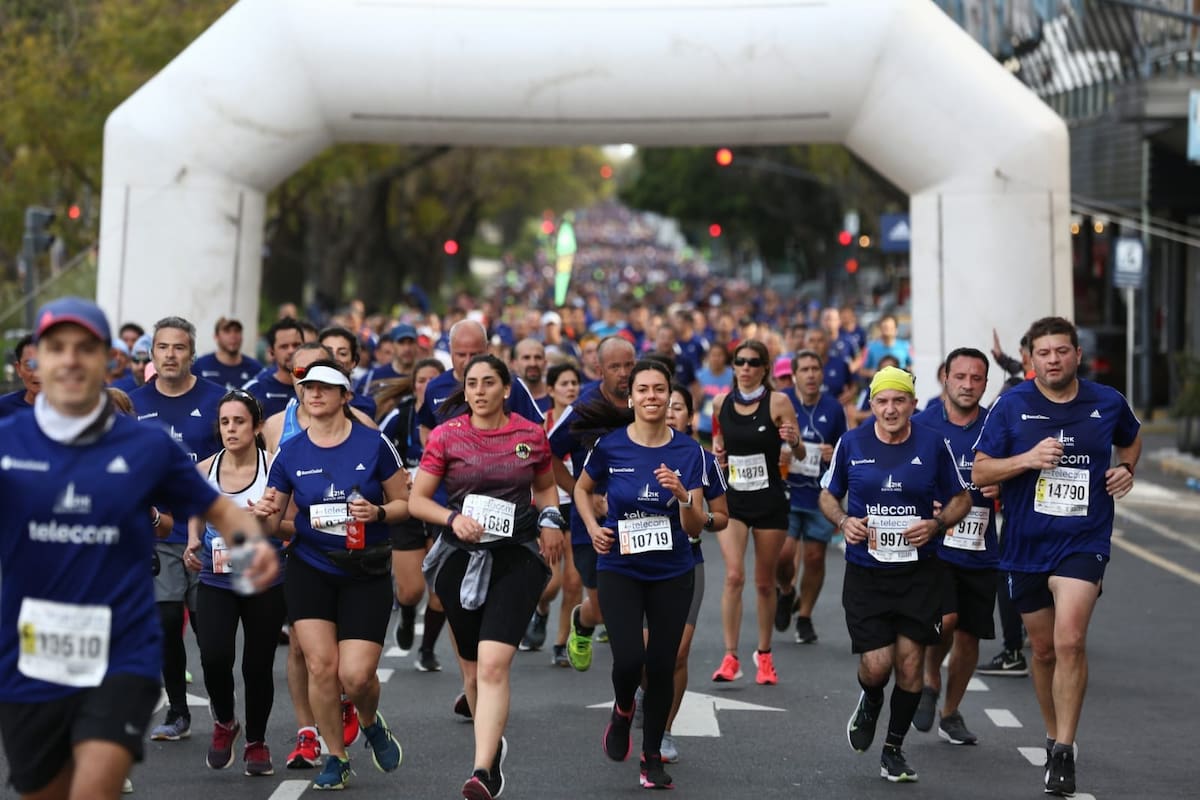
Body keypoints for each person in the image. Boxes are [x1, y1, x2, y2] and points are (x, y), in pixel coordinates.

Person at [0, 297, 276, 800]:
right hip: (32, 652)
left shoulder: (145, 445)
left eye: (84, 348)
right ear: (37, 359)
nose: (70, 359)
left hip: (120, 647)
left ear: (109, 358)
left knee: (94, 788)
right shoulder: (9, 443)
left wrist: (251, 542)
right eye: (56, 347)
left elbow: (220, 508)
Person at [972, 316, 1140, 797]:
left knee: (1070, 642)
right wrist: (1026, 459)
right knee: (1042, 651)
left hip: (1083, 541)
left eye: (1061, 351)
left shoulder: (1107, 402)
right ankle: (1052, 734)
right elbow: (981, 471)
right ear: (1031, 359)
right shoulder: (1011, 405)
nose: (1053, 360)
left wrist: (1126, 470)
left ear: (1077, 355)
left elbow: (1130, 439)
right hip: (1026, 545)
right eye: (1044, 353)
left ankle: (1065, 749)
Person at [409, 354, 566, 800]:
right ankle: (491, 746)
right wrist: (451, 517)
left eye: (488, 383)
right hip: (460, 560)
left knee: (495, 664)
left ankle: (482, 771)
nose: (479, 391)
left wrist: (551, 518)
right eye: (471, 383)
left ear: (505, 388)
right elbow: (419, 499)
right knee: (474, 673)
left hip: (515, 556)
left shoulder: (529, 434)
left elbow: (545, 485)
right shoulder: (446, 435)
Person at [252, 361, 409, 790]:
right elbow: (274, 522)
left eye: (325, 387)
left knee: (355, 677)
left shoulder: (374, 444)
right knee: (322, 667)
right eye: (307, 388)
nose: (314, 394)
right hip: (311, 566)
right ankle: (336, 757)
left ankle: (371, 721)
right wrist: (262, 516)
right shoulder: (291, 452)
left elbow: (404, 504)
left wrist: (377, 512)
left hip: (365, 568)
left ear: (345, 396)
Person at [819, 365, 972, 783]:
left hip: (919, 573)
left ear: (913, 404)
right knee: (877, 666)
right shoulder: (853, 442)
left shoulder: (933, 443)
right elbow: (827, 495)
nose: (890, 409)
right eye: (883, 401)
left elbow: (961, 498)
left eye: (899, 400)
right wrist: (843, 521)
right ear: (872, 405)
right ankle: (870, 700)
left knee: (909, 667)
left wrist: (938, 525)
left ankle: (893, 750)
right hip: (868, 574)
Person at [573, 360, 708, 791]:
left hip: (673, 570)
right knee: (630, 658)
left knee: (662, 665)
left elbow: (694, 527)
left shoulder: (690, 452)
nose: (652, 396)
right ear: (631, 398)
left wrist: (684, 496)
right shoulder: (611, 446)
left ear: (670, 398)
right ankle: (623, 707)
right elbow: (581, 488)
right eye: (643, 389)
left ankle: (651, 758)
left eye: (659, 389)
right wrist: (594, 528)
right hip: (620, 566)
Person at [129, 316, 228, 743]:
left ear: (192, 353)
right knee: (167, 620)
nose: (171, 355)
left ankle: (225, 715)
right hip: (159, 532)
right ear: (152, 354)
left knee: (213, 637)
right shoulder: (133, 404)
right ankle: (178, 710)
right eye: (163, 347)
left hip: (209, 532)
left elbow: (233, 463)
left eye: (179, 347)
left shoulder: (218, 400)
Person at [185, 390, 287, 776]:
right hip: (216, 577)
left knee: (257, 665)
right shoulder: (205, 469)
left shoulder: (274, 468)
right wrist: (194, 539)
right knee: (213, 656)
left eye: (239, 421)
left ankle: (257, 742)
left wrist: (263, 518)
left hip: (264, 578)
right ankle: (225, 721)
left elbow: (283, 525)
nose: (231, 429)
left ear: (257, 426)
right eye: (225, 422)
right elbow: (197, 510)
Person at [910, 347, 999, 745]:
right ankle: (930, 679)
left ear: (985, 382)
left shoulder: (997, 425)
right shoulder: (922, 424)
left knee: (969, 635)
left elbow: (1019, 469)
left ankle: (950, 711)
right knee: (944, 620)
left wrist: (1004, 484)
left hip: (980, 544)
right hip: (937, 545)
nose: (967, 385)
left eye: (976, 378)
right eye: (960, 377)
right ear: (945, 377)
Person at [710, 339, 800, 685]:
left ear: (765, 368)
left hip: (769, 500)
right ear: (733, 367)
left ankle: (764, 655)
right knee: (734, 576)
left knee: (764, 583)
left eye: (753, 362)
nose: (746, 368)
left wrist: (793, 442)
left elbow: (799, 451)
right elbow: (718, 444)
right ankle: (730, 656)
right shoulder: (720, 403)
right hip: (734, 500)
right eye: (740, 362)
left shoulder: (778, 402)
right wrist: (718, 455)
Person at [548, 336, 637, 672]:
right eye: (615, 366)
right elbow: (550, 454)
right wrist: (582, 493)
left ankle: (636, 686)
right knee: (601, 608)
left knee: (635, 605)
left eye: (629, 364)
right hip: (594, 525)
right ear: (599, 369)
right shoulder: (583, 407)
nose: (624, 373)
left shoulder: (644, 400)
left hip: (641, 520)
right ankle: (583, 621)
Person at [657, 382, 728, 763]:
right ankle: (639, 693)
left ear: (689, 416)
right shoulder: (631, 450)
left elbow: (722, 518)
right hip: (638, 565)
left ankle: (665, 731)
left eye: (678, 407)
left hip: (687, 563)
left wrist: (700, 516)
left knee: (678, 654)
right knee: (644, 657)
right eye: (664, 405)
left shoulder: (701, 458)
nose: (669, 412)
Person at [776, 349, 847, 644]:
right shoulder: (783, 402)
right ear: (794, 375)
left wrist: (833, 455)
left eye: (815, 369)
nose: (810, 374)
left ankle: (804, 616)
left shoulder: (833, 408)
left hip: (819, 494)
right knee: (783, 556)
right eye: (804, 369)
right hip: (787, 491)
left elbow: (845, 450)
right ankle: (787, 591)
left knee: (815, 558)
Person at [380, 358, 447, 655]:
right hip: (406, 507)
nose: (427, 386)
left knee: (442, 589)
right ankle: (407, 615)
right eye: (422, 380)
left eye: (434, 380)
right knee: (411, 590)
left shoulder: (454, 415)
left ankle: (427, 649)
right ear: (413, 384)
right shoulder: (400, 415)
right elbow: (377, 451)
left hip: (440, 506)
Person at [523, 362, 581, 660]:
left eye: (575, 383)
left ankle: (561, 643)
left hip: (577, 506)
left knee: (573, 580)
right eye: (564, 383)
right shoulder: (539, 425)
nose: (571, 388)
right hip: (546, 508)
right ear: (551, 391)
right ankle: (541, 609)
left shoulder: (585, 423)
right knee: (551, 583)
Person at [243, 318, 305, 419]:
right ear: (271, 352)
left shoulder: (318, 385)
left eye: (296, 345)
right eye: (284, 346)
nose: (291, 350)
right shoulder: (254, 390)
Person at [193, 318, 264, 390]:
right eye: (227, 331)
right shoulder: (200, 366)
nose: (233, 336)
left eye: (237, 331)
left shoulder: (255, 369)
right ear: (216, 336)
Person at [0, 334, 39, 417]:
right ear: (18, 369)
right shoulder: (3, 409)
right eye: (29, 365)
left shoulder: (72, 411)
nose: (37, 374)